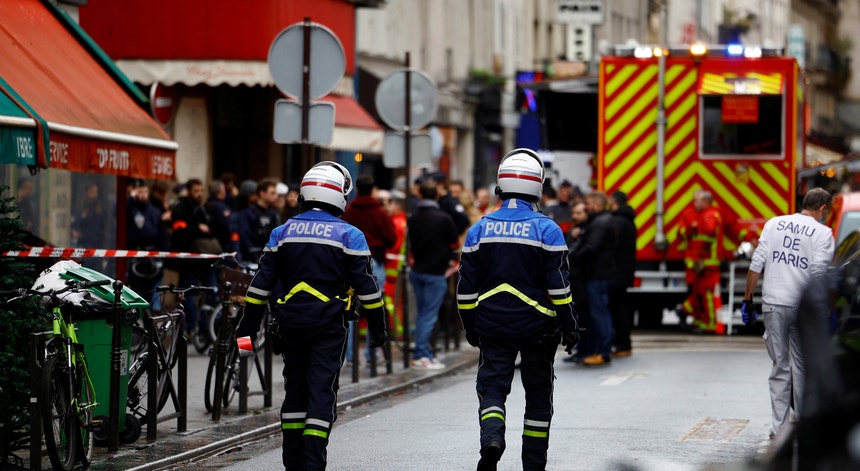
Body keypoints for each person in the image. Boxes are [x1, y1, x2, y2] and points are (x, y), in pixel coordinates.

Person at [235, 161, 387, 470]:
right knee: (321, 391)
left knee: (295, 389)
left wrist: (245, 330)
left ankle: (292, 461)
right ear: (339, 195)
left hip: (289, 324)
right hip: (328, 326)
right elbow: (368, 289)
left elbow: (259, 287)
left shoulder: (282, 232)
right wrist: (378, 328)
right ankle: (313, 462)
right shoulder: (350, 235)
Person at [457, 148, 580, 471]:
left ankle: (492, 439)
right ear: (538, 186)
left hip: (493, 326)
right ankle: (533, 465)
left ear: (500, 185)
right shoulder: (548, 230)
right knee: (538, 399)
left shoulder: (479, 230)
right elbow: (559, 289)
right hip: (539, 330)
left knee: (492, 389)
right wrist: (570, 326)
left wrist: (471, 326)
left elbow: (465, 291)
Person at [740, 188, 835, 440]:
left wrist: (748, 299)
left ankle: (778, 429)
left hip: (773, 304)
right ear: (823, 209)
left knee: (779, 367)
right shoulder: (823, 233)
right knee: (802, 368)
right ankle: (804, 427)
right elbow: (818, 275)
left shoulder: (774, 224)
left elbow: (756, 265)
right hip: (801, 307)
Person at [342, 175, 396, 366]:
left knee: (348, 307)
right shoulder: (379, 212)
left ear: (356, 190)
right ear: (373, 190)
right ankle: (371, 354)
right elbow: (391, 237)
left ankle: (347, 355)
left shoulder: (348, 211)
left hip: (349, 262)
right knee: (373, 305)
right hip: (375, 260)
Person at [407, 180, 459, 370]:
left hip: (417, 270)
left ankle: (425, 352)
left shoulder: (413, 217)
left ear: (420, 195)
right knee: (428, 316)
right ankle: (421, 354)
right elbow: (454, 243)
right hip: (436, 272)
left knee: (423, 314)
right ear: (436, 196)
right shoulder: (443, 218)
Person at [169, 178, 220, 332]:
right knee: (188, 296)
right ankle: (189, 327)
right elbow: (179, 233)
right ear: (189, 191)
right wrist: (198, 228)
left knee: (213, 291)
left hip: (206, 259)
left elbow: (214, 227)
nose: (199, 194)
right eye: (196, 191)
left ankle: (205, 327)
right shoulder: (181, 208)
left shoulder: (203, 208)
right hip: (189, 261)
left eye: (201, 191)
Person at [572, 191, 617, 366]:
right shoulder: (601, 221)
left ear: (597, 205)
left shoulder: (599, 223)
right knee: (600, 312)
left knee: (600, 313)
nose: (586, 207)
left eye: (589, 204)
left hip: (597, 275)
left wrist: (570, 258)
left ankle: (603, 351)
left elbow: (591, 247)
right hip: (600, 273)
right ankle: (601, 349)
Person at [677, 190, 724, 333]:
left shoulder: (710, 215)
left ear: (705, 201)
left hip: (707, 263)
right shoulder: (696, 214)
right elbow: (682, 233)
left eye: (697, 201)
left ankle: (705, 322)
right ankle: (694, 317)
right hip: (700, 263)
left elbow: (707, 235)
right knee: (699, 293)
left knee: (706, 294)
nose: (695, 203)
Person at [126, 179, 169, 304]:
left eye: (145, 191)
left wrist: (163, 260)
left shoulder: (154, 212)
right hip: (134, 257)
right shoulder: (130, 208)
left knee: (149, 297)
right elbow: (118, 210)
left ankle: (148, 321)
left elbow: (163, 237)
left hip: (152, 258)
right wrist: (131, 198)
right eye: (140, 192)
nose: (143, 194)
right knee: (135, 294)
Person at [609, 190, 637, 357]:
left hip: (616, 272)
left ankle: (622, 343)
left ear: (614, 202)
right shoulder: (628, 221)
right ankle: (623, 343)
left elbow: (612, 247)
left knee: (617, 308)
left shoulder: (618, 222)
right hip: (624, 271)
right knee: (621, 307)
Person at [234, 178, 281, 262]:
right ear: (262, 193)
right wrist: (256, 257)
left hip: (270, 258)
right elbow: (245, 238)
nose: (276, 196)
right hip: (252, 259)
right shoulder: (247, 213)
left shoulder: (274, 214)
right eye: (272, 193)